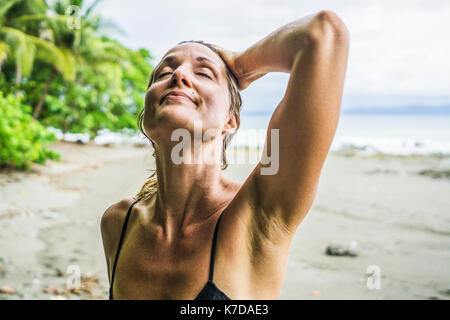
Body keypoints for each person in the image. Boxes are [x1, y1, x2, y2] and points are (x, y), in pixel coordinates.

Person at [101, 10, 349, 300]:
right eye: (165, 73)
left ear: (230, 121)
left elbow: (323, 33)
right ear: (146, 116)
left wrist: (242, 66)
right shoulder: (119, 222)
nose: (179, 74)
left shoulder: (259, 213)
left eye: (203, 73)